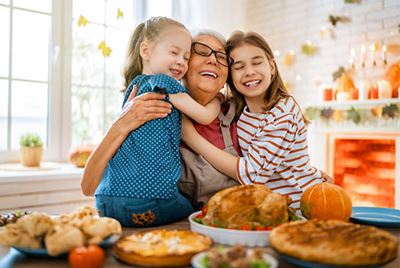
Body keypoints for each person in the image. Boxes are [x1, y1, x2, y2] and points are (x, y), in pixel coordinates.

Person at [81, 19, 237, 226]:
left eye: (185, 56)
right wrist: (218, 99)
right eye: (174, 53)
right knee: (194, 213)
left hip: (106, 201)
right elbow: (205, 116)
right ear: (145, 50)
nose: (181, 61)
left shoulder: (135, 87)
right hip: (149, 202)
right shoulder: (163, 85)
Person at [181, 31, 327, 213]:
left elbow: (252, 174)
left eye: (257, 62)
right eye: (239, 67)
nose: (249, 72)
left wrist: (190, 137)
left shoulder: (283, 112)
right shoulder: (238, 108)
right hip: (267, 209)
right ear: (230, 77)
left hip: (300, 208)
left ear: (272, 67)